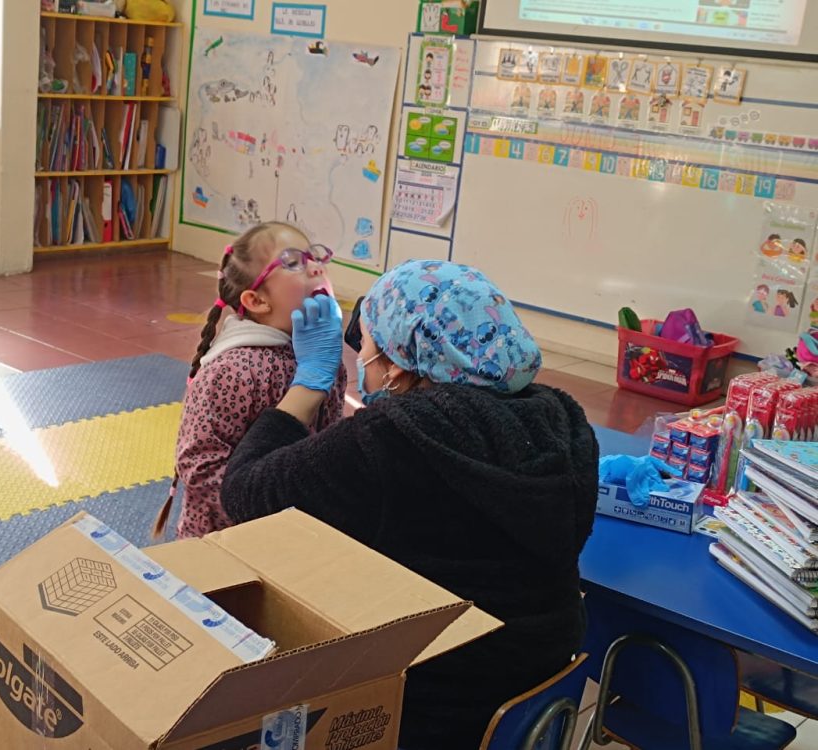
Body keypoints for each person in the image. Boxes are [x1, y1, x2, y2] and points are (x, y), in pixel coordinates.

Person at [221, 260, 600, 749]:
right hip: (538, 702)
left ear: (399, 365)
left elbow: (245, 492)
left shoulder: (393, 440)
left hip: (431, 713)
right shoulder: (563, 420)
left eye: (370, 345)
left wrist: (310, 383)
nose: (363, 359)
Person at [166, 222, 346, 539]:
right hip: (226, 539)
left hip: (292, 528)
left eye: (314, 256)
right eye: (294, 262)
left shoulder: (326, 358)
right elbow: (199, 466)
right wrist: (265, 511)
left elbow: (327, 438)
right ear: (257, 301)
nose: (316, 268)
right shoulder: (233, 370)